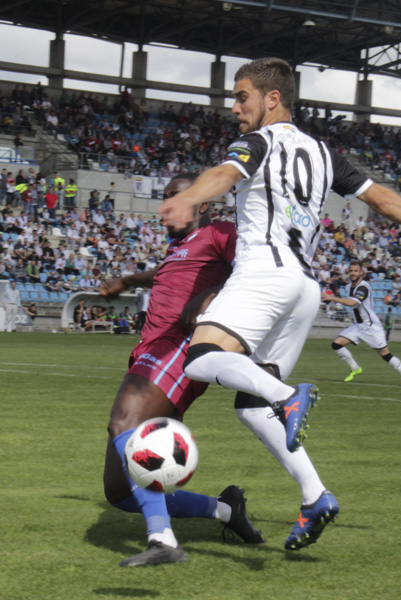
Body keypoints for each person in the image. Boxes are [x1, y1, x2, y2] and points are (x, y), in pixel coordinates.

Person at [159, 57, 401, 551]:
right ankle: (315, 495)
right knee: (251, 407)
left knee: (200, 359)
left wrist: (190, 198)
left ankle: (290, 398)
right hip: (304, 288)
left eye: (242, 96)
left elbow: (225, 171)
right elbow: (382, 198)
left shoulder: (259, 141)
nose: (235, 106)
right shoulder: (325, 153)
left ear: (271, 98)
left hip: (264, 272)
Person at [98, 173, 262, 567]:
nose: (167, 208)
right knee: (120, 493)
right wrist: (128, 279)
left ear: (203, 203)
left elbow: (255, 267)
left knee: (123, 422)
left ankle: (163, 540)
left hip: (178, 346)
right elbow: (164, 275)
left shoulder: (220, 232)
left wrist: (210, 295)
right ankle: (226, 510)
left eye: (177, 198)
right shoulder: (179, 247)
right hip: (150, 351)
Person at [323, 262, 401, 386]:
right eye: (351, 271)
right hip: (357, 325)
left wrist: (331, 298)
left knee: (385, 354)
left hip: (370, 326)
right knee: (336, 344)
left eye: (356, 271)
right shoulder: (348, 287)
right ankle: (355, 368)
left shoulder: (363, 287)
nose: (353, 273)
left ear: (361, 272)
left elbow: (351, 303)